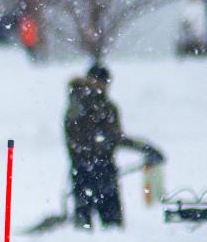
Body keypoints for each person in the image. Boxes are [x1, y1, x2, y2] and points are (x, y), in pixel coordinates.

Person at [64, 64, 158, 229]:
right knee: (84, 228)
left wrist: (142, 147)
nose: (101, 86)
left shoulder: (107, 106)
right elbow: (84, 138)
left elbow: (115, 137)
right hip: (86, 169)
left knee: (112, 225)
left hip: (102, 168)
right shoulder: (80, 105)